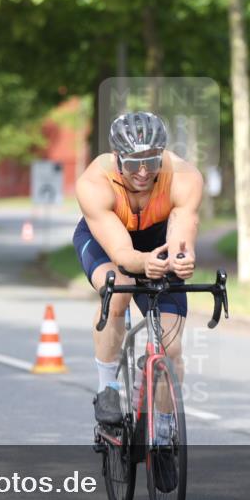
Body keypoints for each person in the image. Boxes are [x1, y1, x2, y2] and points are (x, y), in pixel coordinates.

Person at [73, 111, 203, 444]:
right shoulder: (93, 183)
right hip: (108, 241)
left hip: (156, 237)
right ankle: (108, 391)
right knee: (118, 290)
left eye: (151, 161)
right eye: (133, 164)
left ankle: (162, 432)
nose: (143, 172)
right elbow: (122, 254)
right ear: (116, 158)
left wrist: (182, 257)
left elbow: (182, 229)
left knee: (171, 349)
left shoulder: (184, 177)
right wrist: (142, 263)